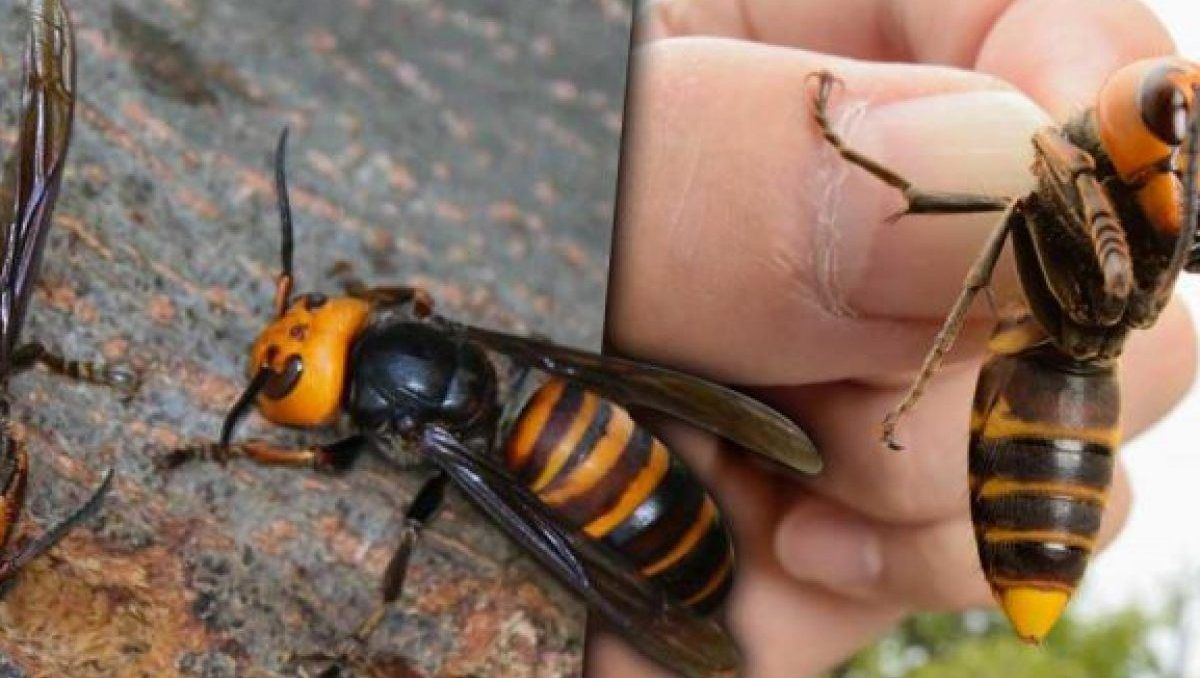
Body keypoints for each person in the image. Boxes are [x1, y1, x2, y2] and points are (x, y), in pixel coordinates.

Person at [591, 0, 1195, 675]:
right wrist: (844, 161)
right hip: (1045, 403)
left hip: (1063, 419)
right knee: (1011, 209)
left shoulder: (1128, 223)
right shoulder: (1067, 161)